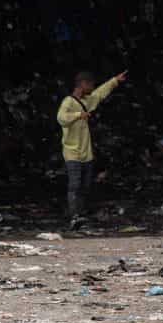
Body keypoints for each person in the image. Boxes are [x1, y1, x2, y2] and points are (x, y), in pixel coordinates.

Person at [57, 69, 127, 226]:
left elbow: (100, 93)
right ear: (83, 84)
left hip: (86, 153)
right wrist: (77, 115)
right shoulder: (68, 102)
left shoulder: (87, 101)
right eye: (90, 85)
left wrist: (114, 80)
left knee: (85, 186)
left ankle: (80, 214)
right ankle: (74, 216)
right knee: (75, 185)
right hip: (72, 153)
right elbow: (61, 119)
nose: (92, 88)